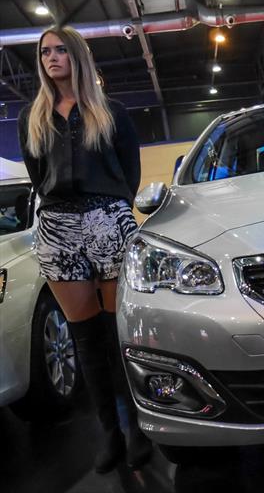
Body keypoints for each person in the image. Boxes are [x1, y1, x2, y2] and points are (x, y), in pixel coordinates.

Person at [17, 26, 151, 472]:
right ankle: (110, 435)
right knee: (85, 339)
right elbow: (38, 177)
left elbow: (130, 174)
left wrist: (111, 211)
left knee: (117, 334)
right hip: (57, 226)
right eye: (45, 52)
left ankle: (138, 430)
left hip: (108, 218)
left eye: (60, 50)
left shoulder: (111, 112)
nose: (51, 58)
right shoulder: (32, 117)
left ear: (78, 56)